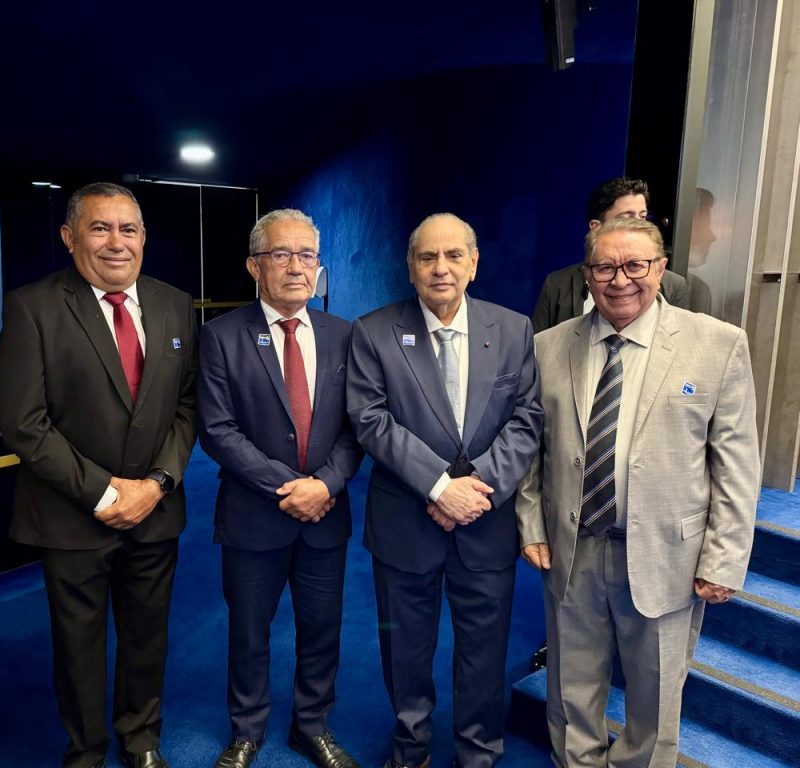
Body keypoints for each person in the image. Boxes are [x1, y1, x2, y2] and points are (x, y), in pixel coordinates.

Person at [516, 217, 760, 767]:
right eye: (605, 267)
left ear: (661, 268)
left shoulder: (717, 345)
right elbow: (531, 451)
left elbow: (737, 464)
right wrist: (531, 524)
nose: (620, 279)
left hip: (668, 555)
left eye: (635, 265)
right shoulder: (547, 347)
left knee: (654, 701)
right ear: (587, 274)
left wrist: (724, 557)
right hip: (574, 549)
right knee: (570, 691)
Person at [0, 183, 197, 768]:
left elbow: (188, 405)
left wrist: (156, 484)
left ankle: (142, 739)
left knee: (147, 637)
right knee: (78, 646)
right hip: (73, 514)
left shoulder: (175, 304)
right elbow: (24, 423)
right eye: (99, 228)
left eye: (128, 229)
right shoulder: (32, 307)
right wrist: (106, 492)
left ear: (144, 237)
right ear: (69, 236)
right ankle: (84, 751)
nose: (116, 242)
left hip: (154, 510)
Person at [347, 213, 542, 768]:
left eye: (454, 255)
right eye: (427, 257)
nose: (441, 268)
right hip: (406, 524)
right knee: (405, 650)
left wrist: (473, 491)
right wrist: (438, 488)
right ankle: (410, 749)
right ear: (410, 267)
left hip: (486, 521)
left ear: (473, 264)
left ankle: (477, 752)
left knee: (484, 651)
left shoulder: (513, 329)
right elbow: (370, 419)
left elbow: (527, 418)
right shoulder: (373, 331)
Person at [197, 209, 364, 768]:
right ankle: (246, 730)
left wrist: (327, 484)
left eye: (307, 255)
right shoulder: (221, 336)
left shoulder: (345, 336)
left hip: (326, 515)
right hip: (253, 516)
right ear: (254, 266)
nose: (296, 267)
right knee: (249, 632)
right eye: (281, 254)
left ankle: (311, 726)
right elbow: (218, 430)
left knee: (322, 629)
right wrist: (293, 488)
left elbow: (357, 426)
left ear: (319, 267)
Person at [531, 176, 688, 332]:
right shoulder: (558, 284)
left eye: (642, 217)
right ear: (596, 227)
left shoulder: (672, 286)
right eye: (626, 219)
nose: (638, 227)